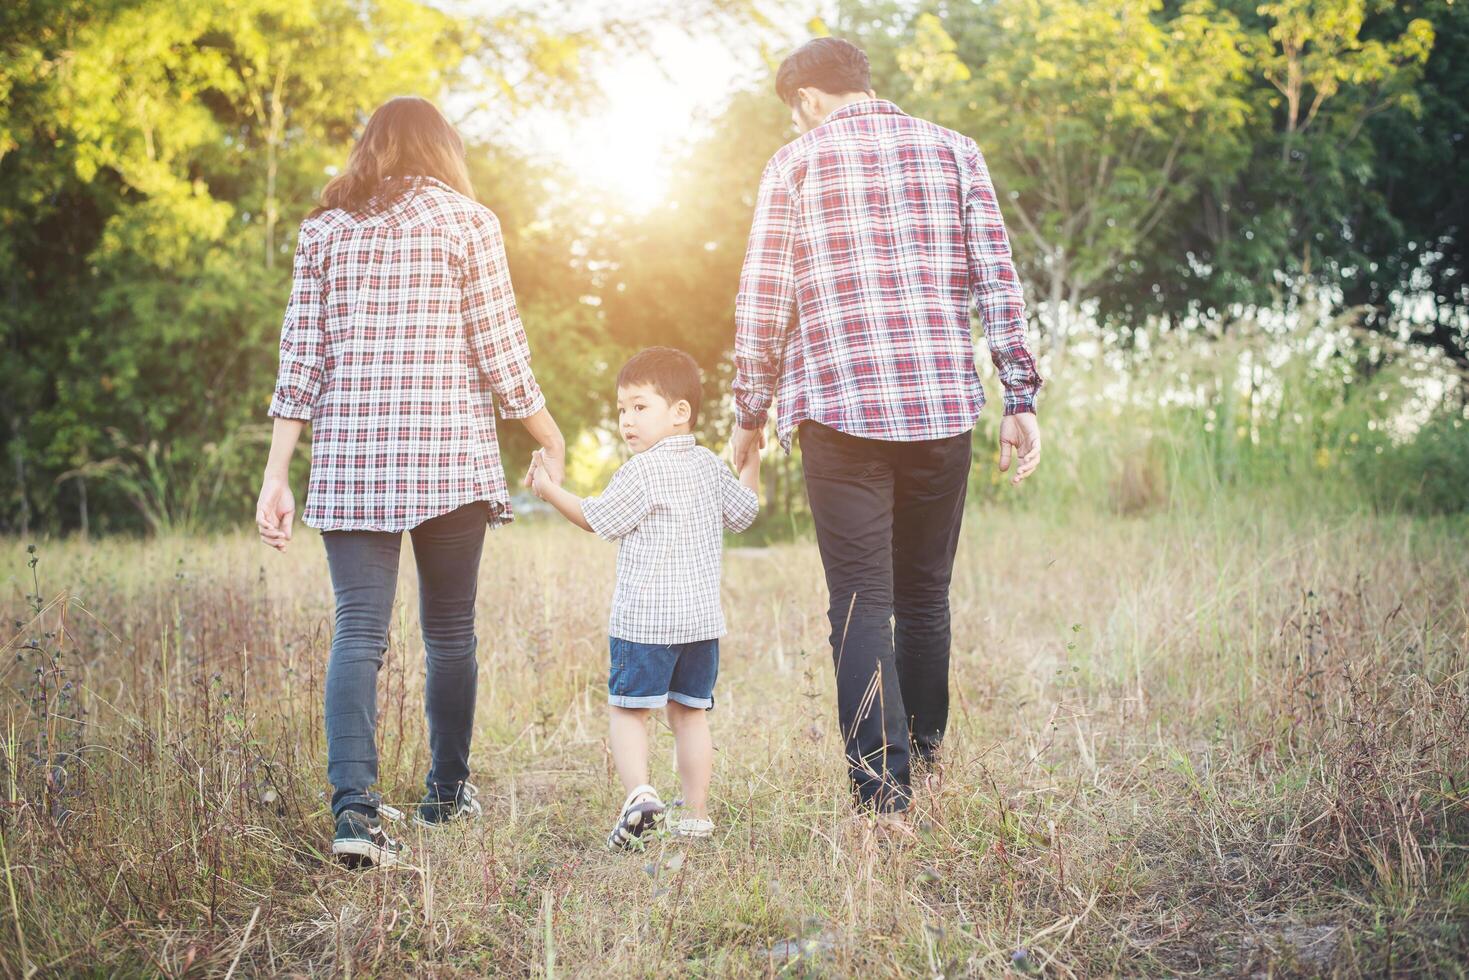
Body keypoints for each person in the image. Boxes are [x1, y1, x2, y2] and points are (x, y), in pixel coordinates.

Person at [730, 38, 1044, 821]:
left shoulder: (793, 164)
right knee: (925, 594)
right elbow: (996, 278)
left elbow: (763, 300)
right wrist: (1020, 396)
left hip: (838, 410)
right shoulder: (955, 152)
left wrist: (749, 412)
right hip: (939, 407)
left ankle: (881, 796)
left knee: (861, 602)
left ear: (804, 99)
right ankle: (927, 761)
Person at [254, 96, 567, 868]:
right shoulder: (467, 222)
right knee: (449, 631)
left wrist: (275, 476)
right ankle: (446, 793)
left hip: (351, 457)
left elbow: (301, 360)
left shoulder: (323, 229)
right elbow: (500, 350)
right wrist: (548, 431)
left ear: (371, 148)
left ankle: (354, 815)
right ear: (441, 149)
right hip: (446, 455)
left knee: (358, 631)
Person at [528, 347, 760, 848]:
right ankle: (695, 815)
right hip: (700, 624)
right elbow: (745, 512)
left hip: (645, 624)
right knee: (689, 713)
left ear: (680, 412)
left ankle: (639, 798)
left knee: (629, 711)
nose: (626, 421)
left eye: (639, 406)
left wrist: (548, 490)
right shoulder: (710, 467)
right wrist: (752, 459)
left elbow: (598, 518)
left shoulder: (642, 471)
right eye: (621, 410)